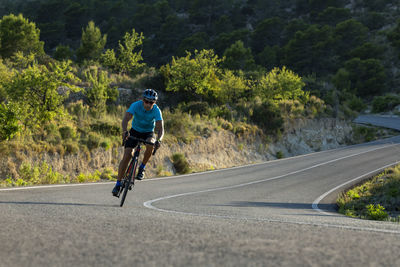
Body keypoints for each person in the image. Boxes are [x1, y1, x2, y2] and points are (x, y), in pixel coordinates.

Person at [112, 89, 164, 196]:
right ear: (143, 100)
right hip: (134, 131)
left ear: (154, 103)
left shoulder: (156, 110)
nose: (149, 104)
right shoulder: (135, 105)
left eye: (152, 102)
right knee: (127, 155)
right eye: (147, 101)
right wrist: (125, 131)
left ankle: (142, 167)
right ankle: (117, 184)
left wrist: (159, 140)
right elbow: (126, 119)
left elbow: (160, 129)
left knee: (151, 143)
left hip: (148, 132)